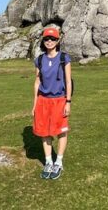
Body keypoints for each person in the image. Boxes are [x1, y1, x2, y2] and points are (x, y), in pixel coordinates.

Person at [32, 26, 72, 180]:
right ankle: (48, 162)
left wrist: (68, 102)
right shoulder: (39, 60)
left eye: (53, 39)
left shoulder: (64, 58)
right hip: (43, 100)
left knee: (61, 131)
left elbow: (68, 82)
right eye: (47, 39)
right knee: (44, 132)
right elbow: (37, 82)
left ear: (58, 40)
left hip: (59, 100)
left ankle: (59, 162)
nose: (49, 41)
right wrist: (35, 105)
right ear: (43, 40)